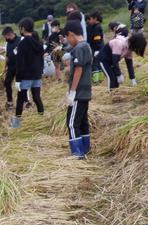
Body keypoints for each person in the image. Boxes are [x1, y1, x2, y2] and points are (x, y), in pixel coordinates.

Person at [63, 21, 92, 159]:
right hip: (85, 92)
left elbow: (78, 70)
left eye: (67, 38)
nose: (68, 41)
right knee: (82, 121)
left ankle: (78, 153)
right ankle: (86, 149)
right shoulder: (86, 46)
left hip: (79, 92)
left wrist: (72, 92)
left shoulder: (80, 48)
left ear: (71, 34)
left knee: (72, 123)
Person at [12, 17, 45, 129]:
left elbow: (20, 63)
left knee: (20, 100)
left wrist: (17, 80)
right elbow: (41, 59)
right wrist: (41, 71)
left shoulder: (22, 44)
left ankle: (16, 125)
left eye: (20, 28)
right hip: (37, 75)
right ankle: (42, 118)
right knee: (37, 97)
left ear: (23, 28)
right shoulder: (38, 42)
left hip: (25, 76)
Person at [2, 26, 21, 108]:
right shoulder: (7, 43)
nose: (5, 38)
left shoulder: (20, 40)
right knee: (7, 82)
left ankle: (25, 101)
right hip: (10, 67)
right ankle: (10, 102)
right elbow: (7, 56)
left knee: (19, 85)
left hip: (20, 66)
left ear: (9, 34)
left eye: (5, 36)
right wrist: (5, 67)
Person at [86, 11, 105, 82]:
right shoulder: (95, 26)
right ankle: (100, 78)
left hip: (97, 47)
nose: (89, 21)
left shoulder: (97, 27)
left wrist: (97, 49)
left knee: (95, 63)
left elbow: (97, 39)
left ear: (95, 19)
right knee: (99, 63)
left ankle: (95, 80)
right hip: (98, 47)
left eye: (90, 19)